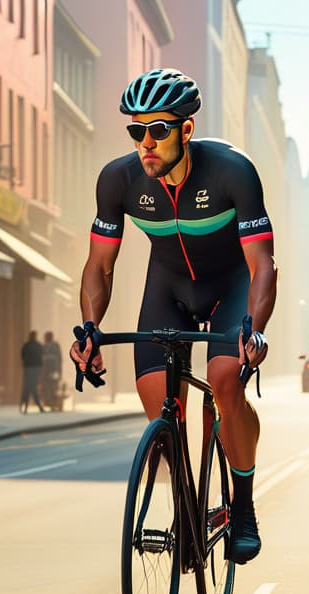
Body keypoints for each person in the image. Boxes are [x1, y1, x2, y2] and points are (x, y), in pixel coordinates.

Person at [69, 68, 276, 564]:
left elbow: (262, 263)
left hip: (229, 287)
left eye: (158, 130)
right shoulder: (117, 181)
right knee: (158, 400)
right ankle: (186, 504)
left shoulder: (232, 171)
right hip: (168, 289)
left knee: (225, 379)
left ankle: (241, 507)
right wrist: (91, 331)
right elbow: (100, 265)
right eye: (136, 130)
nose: (146, 142)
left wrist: (256, 330)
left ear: (186, 130)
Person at [20, 330, 45, 413]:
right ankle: (35, 406)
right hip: (32, 368)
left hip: (32, 368)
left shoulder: (28, 345)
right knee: (31, 388)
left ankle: (24, 406)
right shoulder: (35, 345)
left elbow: (22, 356)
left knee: (29, 387)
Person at [41, 331, 64, 410]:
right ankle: (48, 402)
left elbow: (59, 358)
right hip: (45, 371)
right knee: (47, 387)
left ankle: (54, 403)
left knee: (54, 386)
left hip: (54, 370)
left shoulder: (55, 346)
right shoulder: (43, 346)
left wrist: (59, 371)